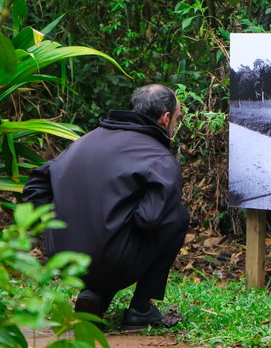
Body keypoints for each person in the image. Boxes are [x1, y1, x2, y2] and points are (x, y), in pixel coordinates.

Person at [23, 84, 189, 330]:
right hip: (112, 257)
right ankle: (140, 308)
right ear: (165, 119)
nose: (176, 123)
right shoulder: (160, 158)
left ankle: (95, 296)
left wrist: (54, 224)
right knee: (177, 217)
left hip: (63, 256)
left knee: (111, 234)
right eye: (177, 118)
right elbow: (150, 220)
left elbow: (35, 185)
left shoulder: (84, 142)